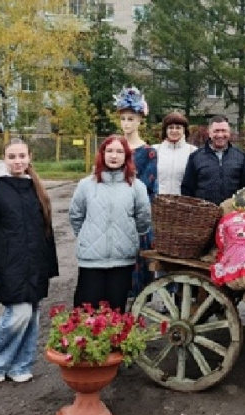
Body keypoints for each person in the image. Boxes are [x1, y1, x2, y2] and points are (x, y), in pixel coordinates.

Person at [0, 139, 59, 383]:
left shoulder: (35, 188)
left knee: (31, 316)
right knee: (18, 314)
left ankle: (21, 365)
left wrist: (48, 267)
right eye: (12, 157)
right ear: (4, 159)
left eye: (22, 156)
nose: (18, 161)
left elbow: (46, 231)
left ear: (29, 157)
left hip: (35, 265)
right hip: (9, 266)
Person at [69, 135, 152, 312]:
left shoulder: (136, 186)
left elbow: (143, 218)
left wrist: (128, 236)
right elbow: (76, 216)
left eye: (119, 151)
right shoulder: (86, 185)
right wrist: (88, 236)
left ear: (127, 156)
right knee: (86, 311)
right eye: (110, 151)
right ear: (102, 154)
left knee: (116, 311)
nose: (114, 156)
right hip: (91, 262)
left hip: (122, 261)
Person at [113, 87, 156, 297]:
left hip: (135, 218)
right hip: (112, 215)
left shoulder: (148, 152)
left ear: (140, 120)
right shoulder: (113, 149)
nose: (126, 124)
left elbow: (149, 190)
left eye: (131, 119)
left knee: (137, 270)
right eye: (123, 119)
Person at [181, 115, 245, 205]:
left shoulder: (240, 156)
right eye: (216, 131)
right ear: (209, 133)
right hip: (204, 213)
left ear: (229, 133)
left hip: (232, 213)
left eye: (223, 131)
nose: (220, 135)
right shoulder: (196, 157)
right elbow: (187, 189)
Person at [154, 112, 197, 195]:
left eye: (178, 128)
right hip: (158, 202)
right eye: (171, 127)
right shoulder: (154, 150)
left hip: (183, 203)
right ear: (165, 130)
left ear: (184, 130)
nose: (174, 130)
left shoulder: (193, 151)